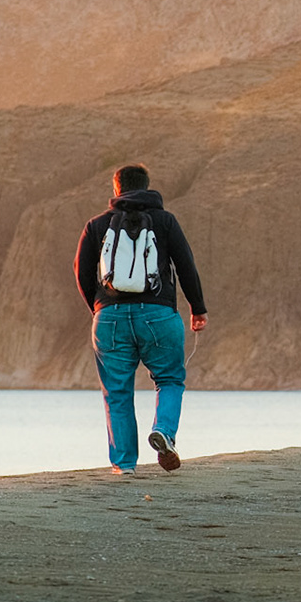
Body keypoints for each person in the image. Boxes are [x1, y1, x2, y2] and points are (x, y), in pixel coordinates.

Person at [74, 164, 208, 475]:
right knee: (170, 380)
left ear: (116, 189)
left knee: (117, 392)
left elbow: (81, 271)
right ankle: (163, 431)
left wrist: (98, 306)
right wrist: (197, 308)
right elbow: (186, 265)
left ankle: (125, 466)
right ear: (147, 187)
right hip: (159, 314)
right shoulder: (165, 221)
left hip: (109, 319)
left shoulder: (96, 225)